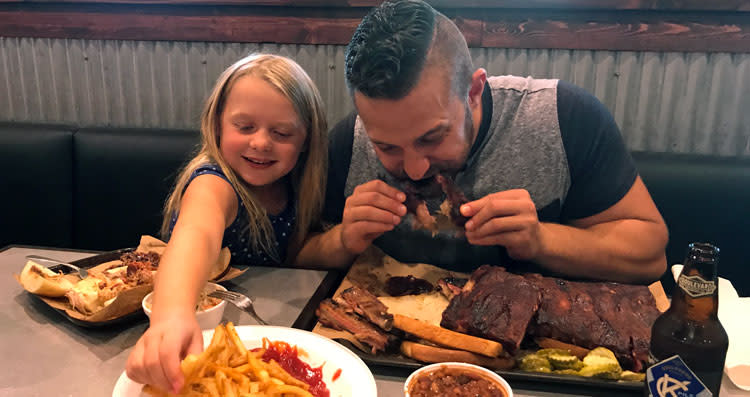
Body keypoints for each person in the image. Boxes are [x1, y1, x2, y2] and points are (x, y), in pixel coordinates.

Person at [297, 0, 668, 284]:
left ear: (474, 91)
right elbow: (294, 255)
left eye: (432, 137)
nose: (414, 168)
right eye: (387, 147)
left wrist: (541, 239)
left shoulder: (563, 118)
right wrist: (343, 240)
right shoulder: (350, 139)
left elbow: (650, 254)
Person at [125, 53, 328, 393]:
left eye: (281, 132)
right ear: (217, 123)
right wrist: (171, 315)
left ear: (306, 140)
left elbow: (296, 250)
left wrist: (349, 238)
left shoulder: (290, 183)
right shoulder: (213, 183)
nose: (261, 142)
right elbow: (197, 233)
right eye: (244, 127)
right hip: (190, 338)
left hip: (277, 331)